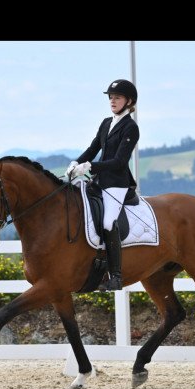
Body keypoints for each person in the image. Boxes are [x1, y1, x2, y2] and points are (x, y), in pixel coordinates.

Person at [66, 79, 139, 291]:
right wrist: (76, 162)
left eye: (117, 98)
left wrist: (90, 166)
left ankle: (116, 276)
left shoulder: (131, 128)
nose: (112, 101)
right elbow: (92, 148)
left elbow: (118, 162)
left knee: (108, 222)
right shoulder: (107, 122)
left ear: (129, 101)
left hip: (117, 183)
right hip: (99, 182)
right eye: (111, 98)